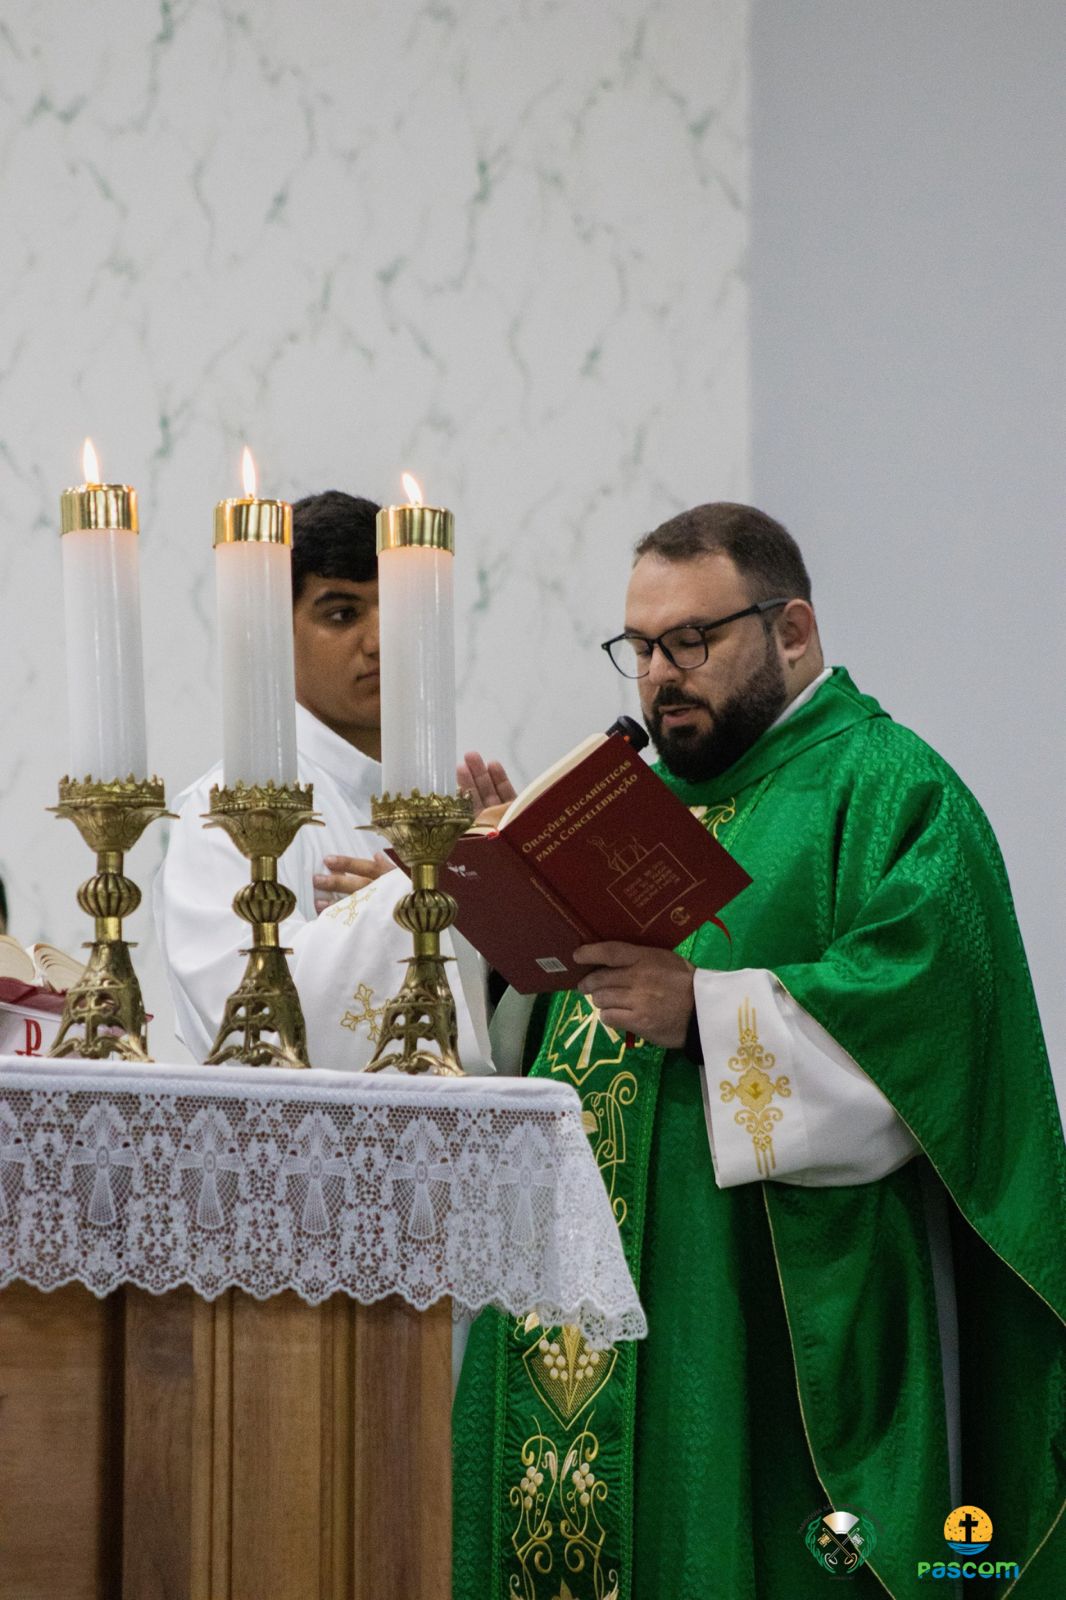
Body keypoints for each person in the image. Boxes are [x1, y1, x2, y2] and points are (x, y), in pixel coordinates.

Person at [450, 503, 1066, 1598]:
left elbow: (926, 1034)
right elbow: (553, 1022)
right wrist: (510, 910)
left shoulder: (892, 789)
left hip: (761, 1314)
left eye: (690, 641)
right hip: (586, 1283)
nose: (658, 677)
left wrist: (704, 1012)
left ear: (792, 630)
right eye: (640, 647)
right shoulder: (629, 802)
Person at [155, 489, 492, 1071]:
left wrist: (503, 887)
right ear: (276, 635)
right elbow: (250, 1026)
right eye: (342, 614)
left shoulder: (451, 804)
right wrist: (416, 898)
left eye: (400, 608)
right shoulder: (225, 812)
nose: (382, 641)